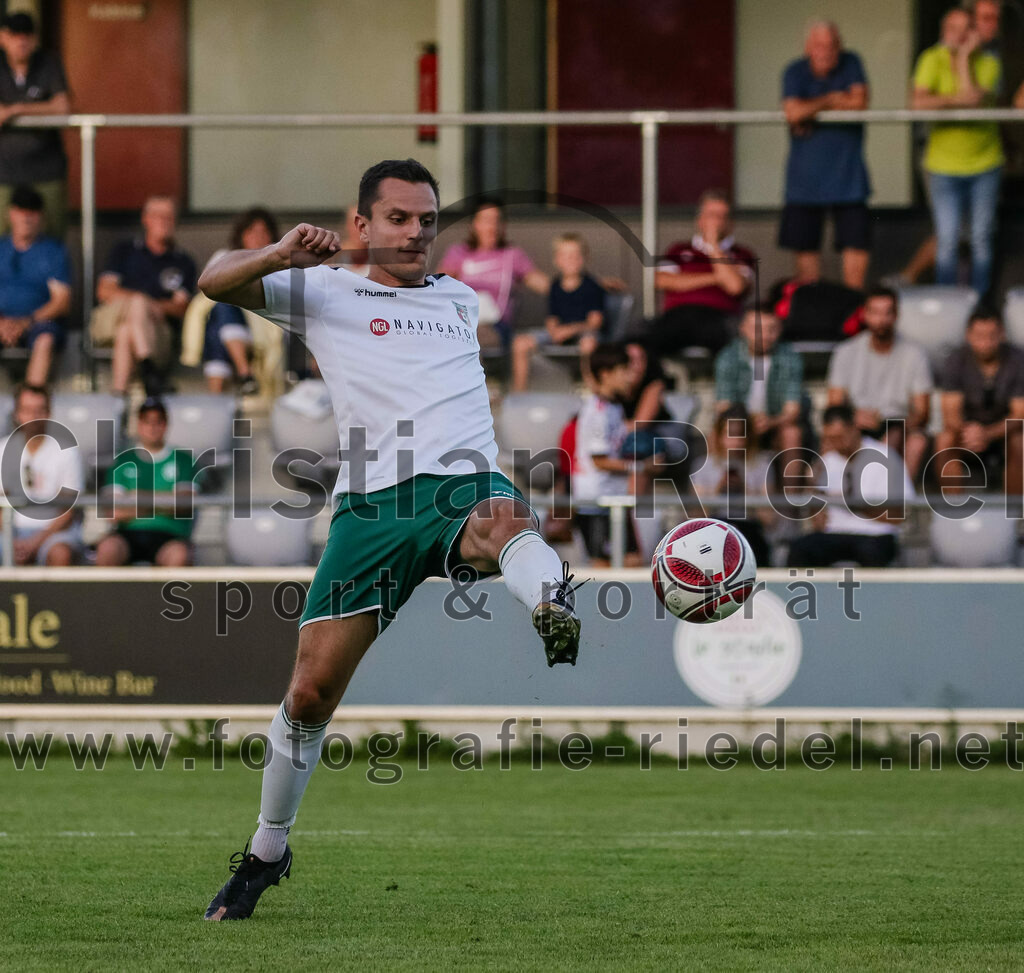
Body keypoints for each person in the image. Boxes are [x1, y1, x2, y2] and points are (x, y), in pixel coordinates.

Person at [197, 158, 584, 920]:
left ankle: (552, 597)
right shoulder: (323, 286)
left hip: (463, 483)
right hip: (372, 510)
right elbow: (213, 279)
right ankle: (267, 850)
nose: (415, 233)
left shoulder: (461, 298)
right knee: (309, 693)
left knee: (506, 517)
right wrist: (280, 254)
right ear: (362, 223)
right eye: (400, 218)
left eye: (427, 221)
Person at [912, 8, 1002, 298]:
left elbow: (972, 101)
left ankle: (979, 306)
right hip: (943, 165)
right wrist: (954, 99)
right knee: (948, 239)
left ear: (974, 33)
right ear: (942, 30)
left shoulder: (989, 62)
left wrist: (963, 59)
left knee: (980, 238)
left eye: (965, 28)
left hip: (985, 162)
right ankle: (948, 303)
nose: (957, 34)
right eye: (952, 27)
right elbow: (917, 103)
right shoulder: (930, 58)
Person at [779, 21, 871, 291]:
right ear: (808, 47)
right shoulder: (795, 71)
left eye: (831, 45)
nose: (825, 51)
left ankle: (852, 311)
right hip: (804, 182)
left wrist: (812, 108)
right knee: (806, 253)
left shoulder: (851, 62)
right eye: (819, 45)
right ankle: (813, 314)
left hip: (849, 179)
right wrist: (831, 99)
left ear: (839, 46)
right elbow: (793, 112)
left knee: (856, 244)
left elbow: (859, 103)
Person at [91, 196, 197, 396]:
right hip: (110, 321)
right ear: (146, 219)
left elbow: (182, 308)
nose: (164, 221)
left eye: (169, 217)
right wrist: (147, 303)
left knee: (126, 332)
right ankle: (150, 371)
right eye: (158, 216)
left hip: (156, 333)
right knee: (138, 303)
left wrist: (152, 308)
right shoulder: (125, 251)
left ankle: (120, 395)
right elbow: (104, 291)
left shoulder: (183, 261)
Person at [787, 403, 914, 567]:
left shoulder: (886, 457)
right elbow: (818, 518)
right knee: (801, 549)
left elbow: (896, 514)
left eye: (839, 437)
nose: (836, 444)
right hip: (835, 534)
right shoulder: (827, 461)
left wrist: (851, 503)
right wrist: (813, 485)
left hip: (874, 534)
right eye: (830, 439)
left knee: (872, 553)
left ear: (854, 429)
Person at [826, 287, 932, 481]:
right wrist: (853, 418)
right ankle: (830, 502)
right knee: (832, 435)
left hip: (898, 424)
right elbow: (834, 406)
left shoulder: (915, 354)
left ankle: (897, 503)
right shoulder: (846, 352)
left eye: (887, 312)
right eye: (875, 312)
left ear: (896, 315)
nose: (881, 320)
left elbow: (923, 413)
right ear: (864, 314)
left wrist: (897, 425)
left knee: (907, 439)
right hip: (855, 423)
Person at [649, 189, 754, 356]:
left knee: (737, 345)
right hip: (678, 316)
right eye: (712, 215)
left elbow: (735, 287)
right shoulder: (678, 249)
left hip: (720, 318)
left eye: (722, 216)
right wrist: (718, 278)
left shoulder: (741, 254)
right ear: (699, 220)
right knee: (645, 343)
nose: (717, 222)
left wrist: (713, 245)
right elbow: (662, 281)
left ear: (731, 223)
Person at [94, 397, 197, 567]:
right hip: (127, 534)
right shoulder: (122, 460)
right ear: (139, 425)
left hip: (170, 535)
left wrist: (136, 498)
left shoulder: (184, 460)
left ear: (166, 424)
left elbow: (184, 505)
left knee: (179, 555)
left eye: (158, 422)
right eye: (147, 421)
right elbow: (113, 512)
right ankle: (104, 595)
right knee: (107, 549)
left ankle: (171, 595)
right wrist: (165, 502)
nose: (152, 428)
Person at [571, 342, 647, 567]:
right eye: (624, 371)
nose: (629, 378)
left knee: (633, 561)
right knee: (602, 567)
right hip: (595, 501)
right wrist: (641, 467)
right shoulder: (597, 412)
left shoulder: (614, 407)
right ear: (606, 374)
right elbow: (600, 461)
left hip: (614, 498)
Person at [438, 198, 549, 349]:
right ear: (474, 225)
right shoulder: (459, 253)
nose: (492, 226)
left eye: (496, 220)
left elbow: (546, 286)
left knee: (470, 340)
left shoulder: (512, 255)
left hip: (497, 326)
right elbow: (436, 287)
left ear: (503, 226)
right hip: (462, 323)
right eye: (486, 220)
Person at [935, 307, 1024, 495]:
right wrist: (971, 433)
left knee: (1020, 441)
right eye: (979, 336)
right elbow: (950, 414)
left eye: (992, 335)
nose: (986, 342)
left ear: (1002, 335)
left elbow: (1019, 415)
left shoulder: (1018, 360)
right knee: (944, 440)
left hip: (1004, 433)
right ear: (968, 335)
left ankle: (1016, 515)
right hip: (966, 432)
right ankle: (952, 511)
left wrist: (987, 434)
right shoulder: (956, 360)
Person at [0, 12, 70, 237]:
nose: (21, 41)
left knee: (53, 237)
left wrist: (14, 110)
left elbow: (63, 106)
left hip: (46, 169)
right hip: (4, 171)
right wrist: (41, 107)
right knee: (3, 241)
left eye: (26, 35)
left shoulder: (48, 61)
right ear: (3, 37)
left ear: (34, 39)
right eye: (14, 35)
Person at [0, 383, 83, 565]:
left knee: (61, 554)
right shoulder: (2, 449)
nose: (33, 417)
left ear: (49, 413)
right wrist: (12, 541)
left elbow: (68, 513)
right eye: (27, 410)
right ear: (16, 413)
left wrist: (33, 543)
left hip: (53, 533)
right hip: (8, 532)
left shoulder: (67, 452)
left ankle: (59, 595)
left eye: (39, 410)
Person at [511, 232, 605, 391]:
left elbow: (595, 322)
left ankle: (593, 391)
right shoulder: (554, 286)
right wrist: (554, 331)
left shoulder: (592, 286)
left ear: (584, 258)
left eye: (576, 255)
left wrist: (569, 330)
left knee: (589, 344)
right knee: (520, 342)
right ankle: (519, 395)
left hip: (583, 333)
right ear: (557, 260)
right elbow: (552, 318)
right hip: (559, 332)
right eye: (566, 256)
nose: (571, 260)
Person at [201, 208, 277, 394]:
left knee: (218, 323)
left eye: (263, 232)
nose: (258, 237)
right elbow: (205, 289)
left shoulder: (278, 263)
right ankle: (245, 373)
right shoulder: (224, 257)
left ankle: (223, 391)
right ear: (241, 235)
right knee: (222, 308)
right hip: (231, 321)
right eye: (252, 231)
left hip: (264, 325)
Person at [0, 184, 71, 385]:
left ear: (41, 217)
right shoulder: (1, 249)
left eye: (32, 212)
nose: (26, 218)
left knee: (45, 339)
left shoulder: (53, 251)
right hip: (2, 321)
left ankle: (32, 405)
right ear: (10, 214)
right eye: (21, 211)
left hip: (39, 321)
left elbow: (62, 302)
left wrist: (26, 321)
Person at [689, 404, 774, 567]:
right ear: (719, 435)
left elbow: (769, 519)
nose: (735, 441)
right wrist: (718, 490)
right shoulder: (703, 465)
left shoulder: (762, 465)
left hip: (750, 532)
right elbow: (695, 517)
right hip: (713, 531)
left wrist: (745, 490)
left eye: (740, 435)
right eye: (730, 434)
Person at [714, 308, 804, 454]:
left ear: (780, 329)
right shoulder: (728, 357)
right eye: (757, 329)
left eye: (772, 329)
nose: (765, 335)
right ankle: (721, 476)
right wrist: (746, 424)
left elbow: (792, 411)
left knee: (792, 433)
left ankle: (790, 478)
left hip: (774, 424)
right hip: (740, 422)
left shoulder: (790, 357)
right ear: (742, 329)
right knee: (717, 431)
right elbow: (724, 406)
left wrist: (770, 422)